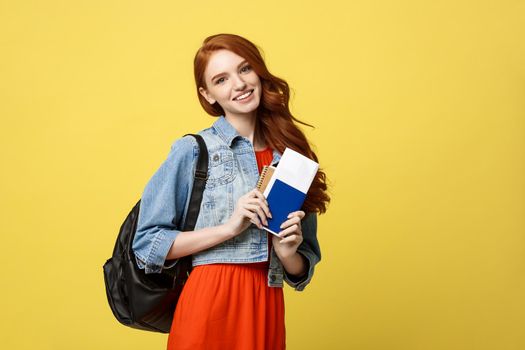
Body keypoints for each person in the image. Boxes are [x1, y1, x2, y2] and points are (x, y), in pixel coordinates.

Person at [132, 33, 330, 350]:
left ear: (259, 73)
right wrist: (229, 228)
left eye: (245, 69)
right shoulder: (193, 151)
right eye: (221, 79)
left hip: (266, 302)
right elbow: (146, 244)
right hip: (209, 303)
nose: (238, 84)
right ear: (207, 94)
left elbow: (302, 267)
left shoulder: (292, 158)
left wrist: (287, 254)